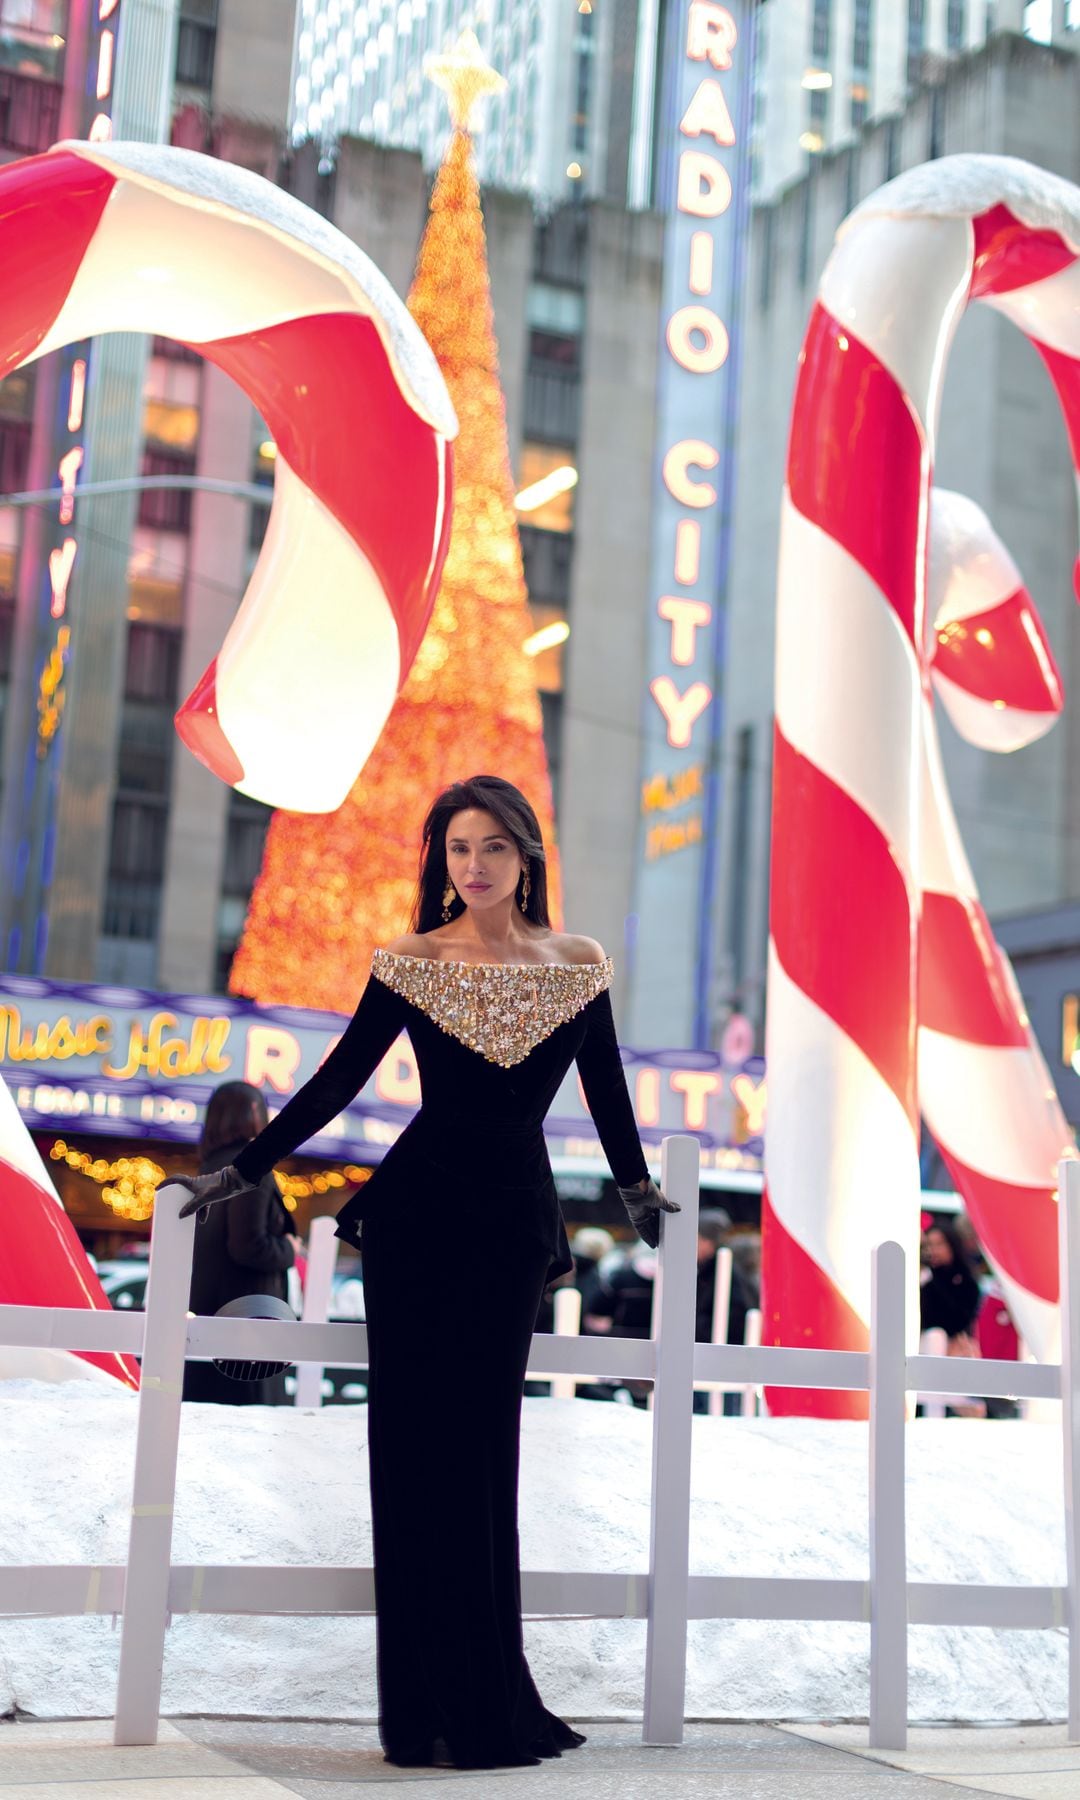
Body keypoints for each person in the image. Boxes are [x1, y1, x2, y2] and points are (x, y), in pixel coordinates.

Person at [175, 774, 676, 1771]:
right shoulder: (411, 960)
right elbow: (338, 1080)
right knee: (411, 1463)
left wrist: (640, 1194)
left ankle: (487, 1699)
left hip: (508, 1233)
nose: (474, 866)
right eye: (456, 848)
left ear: (528, 855)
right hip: (416, 1226)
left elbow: (609, 1095)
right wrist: (243, 1167)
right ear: (438, 860)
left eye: (493, 847)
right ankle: (428, 1715)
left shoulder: (577, 965)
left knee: (485, 1457)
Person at [182, 1080, 301, 1406]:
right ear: (254, 1114)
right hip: (248, 1327)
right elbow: (248, 1245)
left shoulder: (208, 1170)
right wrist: (290, 1248)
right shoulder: (251, 1169)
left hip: (211, 1321)